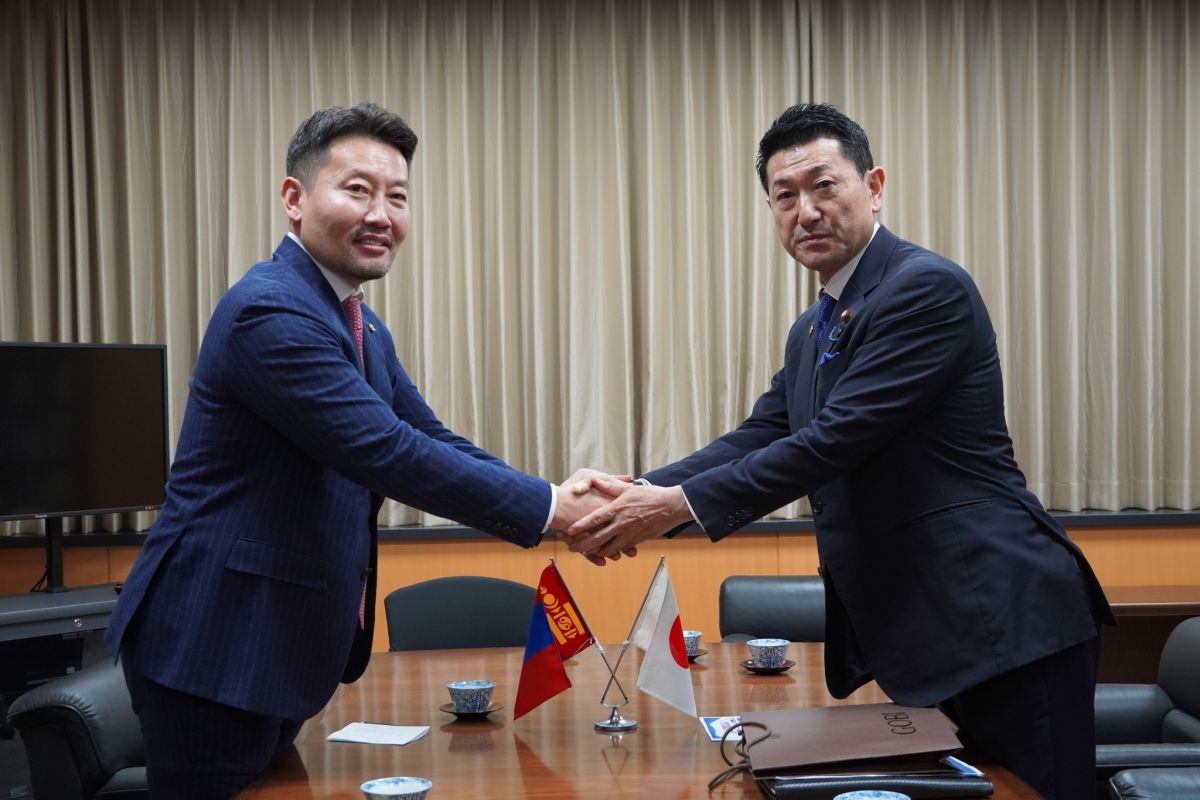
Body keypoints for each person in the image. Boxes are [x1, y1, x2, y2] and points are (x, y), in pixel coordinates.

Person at [565, 103, 1113, 799]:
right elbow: (764, 433)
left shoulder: (925, 288)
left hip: (1003, 619)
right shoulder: (812, 327)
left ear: (874, 187)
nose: (806, 211)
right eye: (784, 196)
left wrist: (669, 507)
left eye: (824, 186)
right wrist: (635, 492)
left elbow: (832, 442)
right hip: (933, 629)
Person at [105, 103, 608, 798]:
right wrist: (553, 510)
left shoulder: (357, 320)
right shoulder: (271, 311)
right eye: (358, 190)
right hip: (216, 642)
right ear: (294, 198)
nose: (381, 215)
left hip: (270, 643)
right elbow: (388, 452)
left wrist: (555, 497)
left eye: (397, 197)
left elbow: (428, 436)